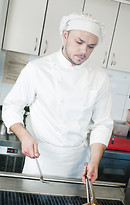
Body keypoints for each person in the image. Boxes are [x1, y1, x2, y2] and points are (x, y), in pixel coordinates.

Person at [2, 13, 113, 183]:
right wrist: (23, 135)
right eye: (79, 42)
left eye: (91, 46)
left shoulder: (99, 76)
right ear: (65, 35)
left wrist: (94, 161)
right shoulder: (37, 69)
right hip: (39, 159)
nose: (84, 51)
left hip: (77, 165)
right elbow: (11, 106)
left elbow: (102, 123)